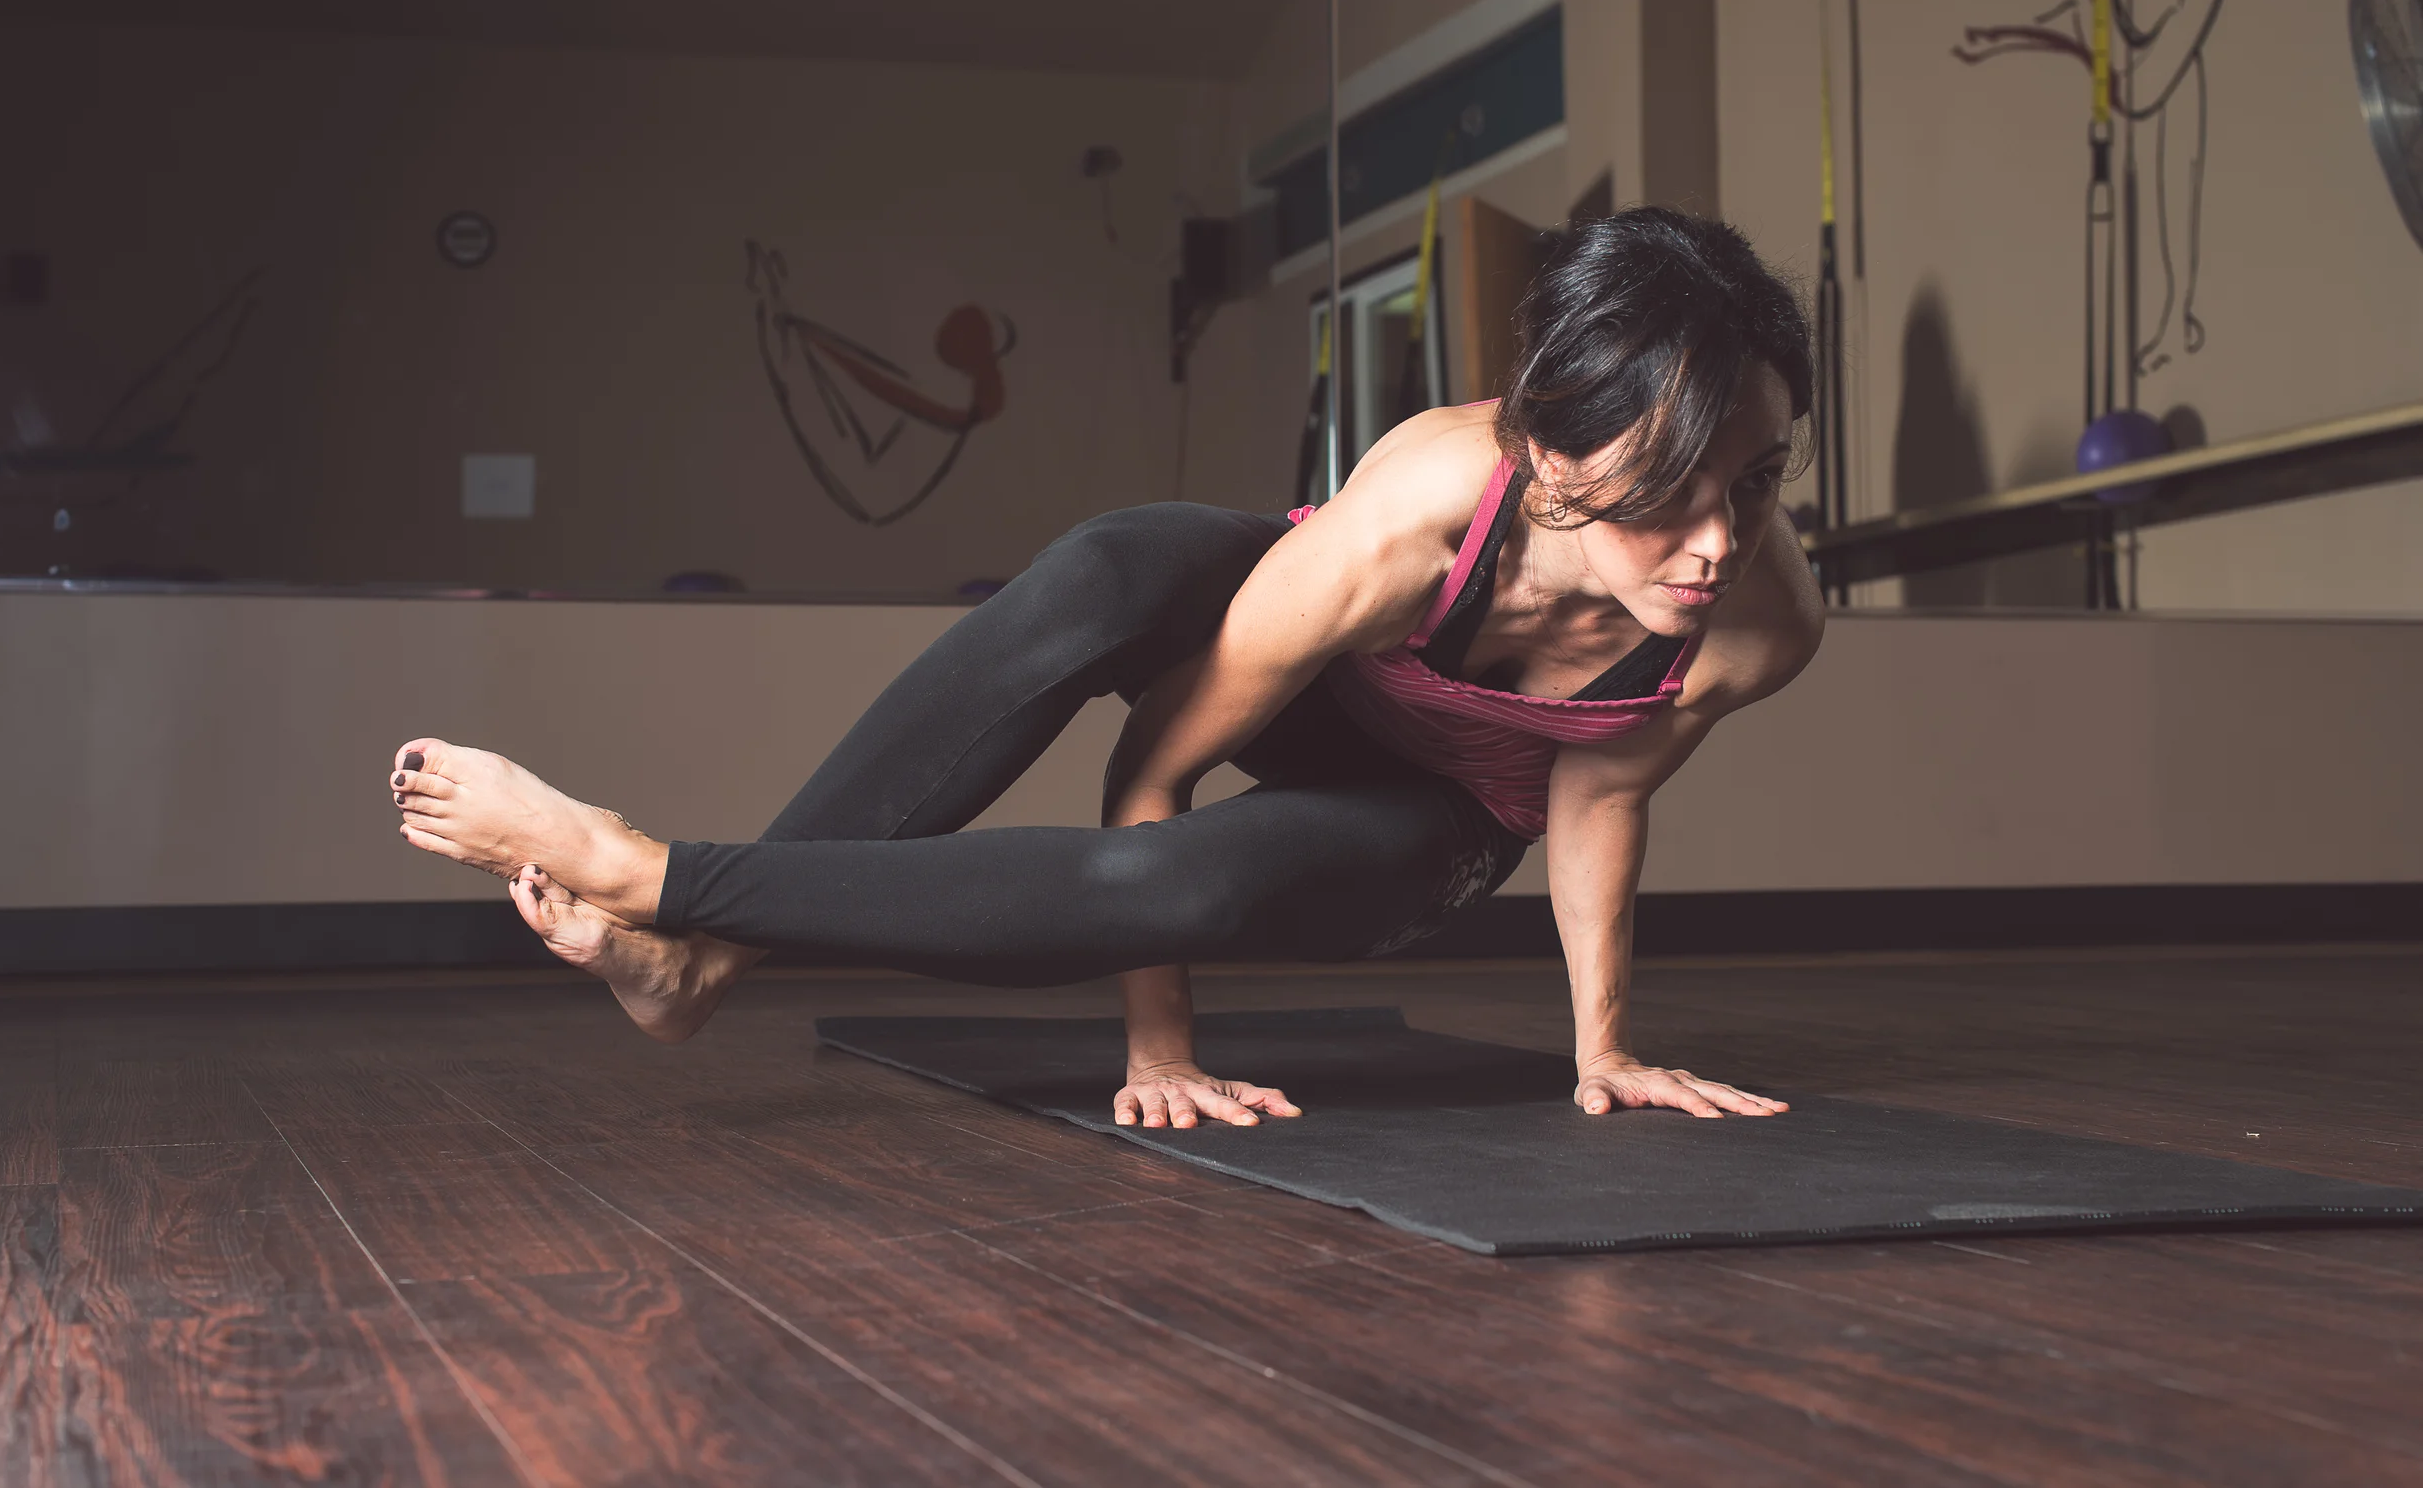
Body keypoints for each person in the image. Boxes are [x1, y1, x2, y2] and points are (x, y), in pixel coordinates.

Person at [384, 207, 1822, 1130]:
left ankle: (675, 913)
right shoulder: (1414, 517)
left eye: (1755, 481)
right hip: (1321, 675)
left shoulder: (1759, 624)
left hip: (1435, 815)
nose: (1717, 542)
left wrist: (1602, 1048)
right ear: (1553, 452)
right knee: (1109, 568)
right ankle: (680, 919)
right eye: (1673, 488)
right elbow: (1155, 760)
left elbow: (1596, 792)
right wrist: (1161, 1046)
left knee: (1181, 877)